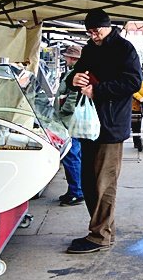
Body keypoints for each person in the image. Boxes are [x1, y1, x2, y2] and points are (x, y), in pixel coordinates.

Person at [67, 8, 142, 254]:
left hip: (111, 125)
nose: (93, 35)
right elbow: (77, 72)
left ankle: (100, 235)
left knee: (104, 182)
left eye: (96, 30)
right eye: (89, 32)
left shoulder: (124, 49)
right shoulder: (90, 48)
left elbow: (133, 82)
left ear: (107, 25)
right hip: (90, 124)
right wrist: (74, 79)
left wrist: (97, 91)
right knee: (89, 181)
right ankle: (101, 229)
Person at [55, 44, 84, 206]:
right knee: (74, 155)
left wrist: (63, 111)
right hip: (72, 121)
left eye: (66, 56)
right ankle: (75, 189)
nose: (65, 58)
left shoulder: (76, 73)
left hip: (70, 121)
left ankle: (76, 191)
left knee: (71, 155)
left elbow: (73, 98)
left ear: (72, 58)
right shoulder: (73, 72)